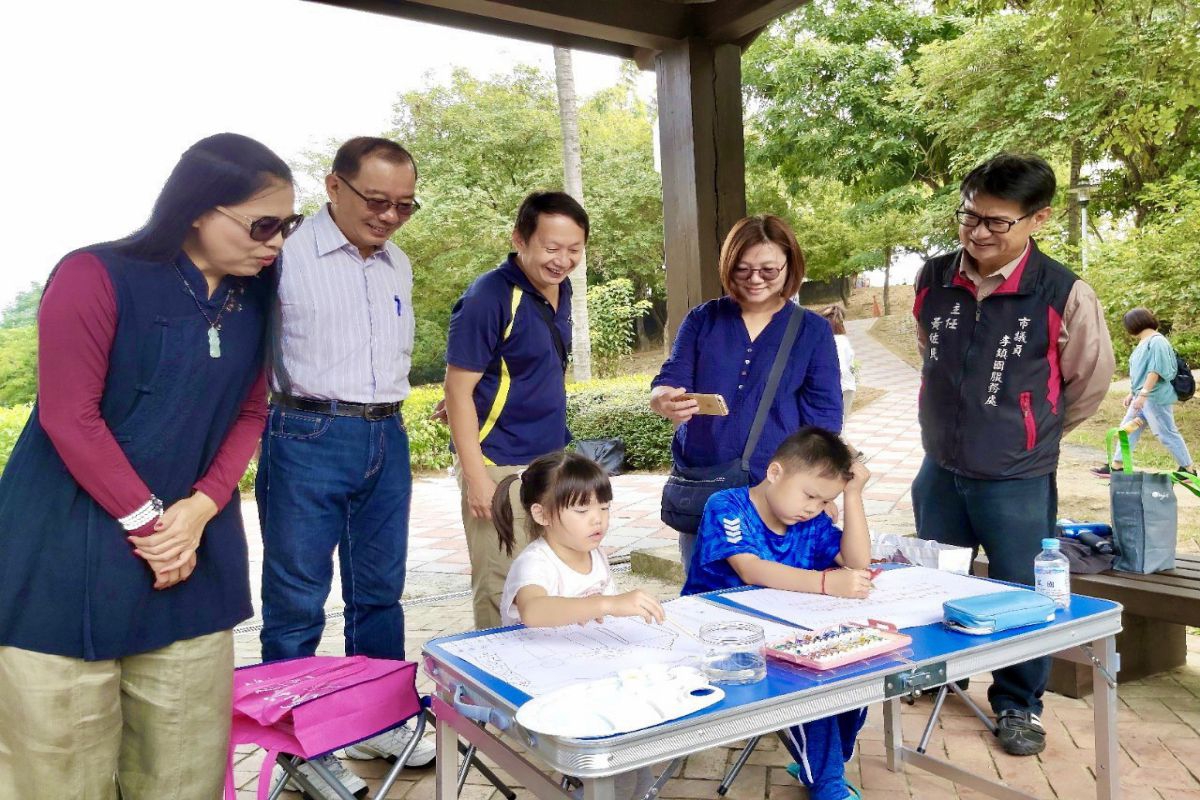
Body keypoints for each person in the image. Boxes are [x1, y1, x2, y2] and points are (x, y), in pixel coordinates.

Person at [0, 133, 298, 799]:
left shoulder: (255, 301)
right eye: (263, 224)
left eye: (287, 225)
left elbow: (251, 414)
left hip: (190, 562)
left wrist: (198, 510)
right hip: (64, 562)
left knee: (184, 775)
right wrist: (151, 524)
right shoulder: (96, 274)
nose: (276, 242)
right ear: (199, 208)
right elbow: (67, 415)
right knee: (58, 775)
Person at [911, 153, 1115, 756]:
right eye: (969, 216)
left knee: (1022, 591)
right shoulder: (933, 278)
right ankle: (937, 677)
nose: (977, 233)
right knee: (932, 581)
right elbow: (930, 354)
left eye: (996, 222)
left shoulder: (1063, 292)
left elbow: (1088, 382)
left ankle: (1019, 705)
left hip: (1017, 477)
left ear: (1038, 219)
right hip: (939, 468)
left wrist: (1031, 434)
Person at [256, 136, 433, 791]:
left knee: (379, 596)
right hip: (306, 431)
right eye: (377, 201)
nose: (389, 216)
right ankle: (298, 747)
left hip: (386, 437)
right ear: (334, 187)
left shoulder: (399, 265)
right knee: (297, 602)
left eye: (405, 206)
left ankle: (379, 721)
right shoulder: (284, 255)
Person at [682, 428, 872, 800]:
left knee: (857, 667)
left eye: (823, 501)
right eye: (809, 495)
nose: (813, 508)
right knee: (808, 676)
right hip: (716, 636)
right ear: (775, 473)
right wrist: (825, 584)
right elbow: (751, 569)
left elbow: (857, 562)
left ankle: (822, 764)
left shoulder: (811, 523)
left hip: (784, 632)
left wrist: (852, 495)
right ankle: (827, 783)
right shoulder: (728, 505)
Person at [651, 215, 843, 569]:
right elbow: (670, 377)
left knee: (779, 593)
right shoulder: (702, 319)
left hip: (778, 495)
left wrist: (819, 487)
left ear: (790, 266)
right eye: (743, 269)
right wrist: (663, 398)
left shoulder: (812, 330)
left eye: (769, 270)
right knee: (706, 593)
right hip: (708, 484)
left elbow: (824, 420)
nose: (755, 280)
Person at [444, 191, 589, 630]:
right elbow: (457, 390)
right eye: (551, 247)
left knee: (549, 577)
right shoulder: (489, 296)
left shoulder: (558, 291)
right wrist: (475, 479)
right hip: (497, 464)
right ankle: (494, 689)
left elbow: (518, 368)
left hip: (549, 463)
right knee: (500, 585)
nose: (562, 260)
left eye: (574, 249)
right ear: (520, 240)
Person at [494, 450, 663, 798]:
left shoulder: (595, 555)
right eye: (582, 510)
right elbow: (534, 611)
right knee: (615, 753)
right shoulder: (536, 563)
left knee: (634, 746)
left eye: (604, 507)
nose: (597, 520)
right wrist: (607, 603)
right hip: (546, 684)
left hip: (590, 674)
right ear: (541, 514)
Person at [1091, 307, 1195, 476]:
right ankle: (1117, 466)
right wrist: (1133, 393)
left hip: (1155, 397)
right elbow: (1141, 372)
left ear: (1133, 324)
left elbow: (1156, 370)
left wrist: (1144, 394)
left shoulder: (1157, 341)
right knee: (1127, 429)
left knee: (1166, 433)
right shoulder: (1145, 341)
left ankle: (1189, 470)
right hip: (1143, 397)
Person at [820, 304, 856, 423]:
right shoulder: (843, 340)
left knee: (833, 428)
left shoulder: (825, 340)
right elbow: (849, 363)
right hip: (848, 386)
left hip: (835, 387)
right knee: (840, 426)